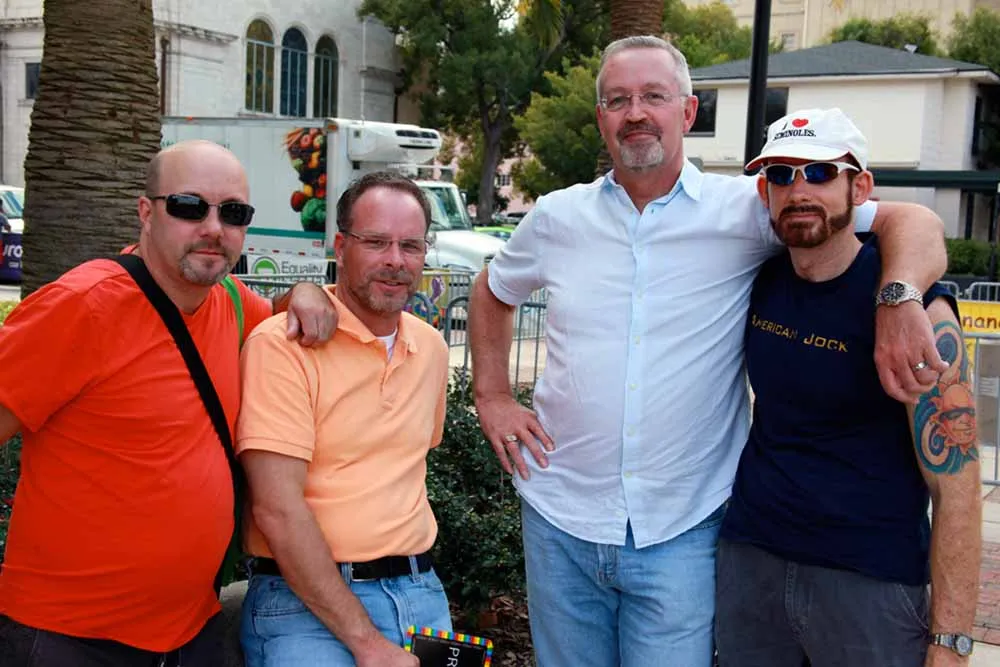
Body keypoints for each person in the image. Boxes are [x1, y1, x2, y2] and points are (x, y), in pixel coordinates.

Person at [468, 35, 951, 667]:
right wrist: (492, 394)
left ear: (688, 112)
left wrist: (898, 297)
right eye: (618, 100)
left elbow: (912, 222)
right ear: (601, 118)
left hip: (682, 528)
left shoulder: (752, 208)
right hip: (560, 518)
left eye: (653, 96)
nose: (636, 113)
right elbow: (492, 289)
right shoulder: (558, 217)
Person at [0, 140, 337, 667]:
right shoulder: (83, 305)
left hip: (191, 633)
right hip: (68, 638)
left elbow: (282, 313)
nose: (213, 228)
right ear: (146, 212)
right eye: (188, 206)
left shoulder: (232, 305)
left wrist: (305, 292)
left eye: (233, 213)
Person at [715, 108, 982, 667]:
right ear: (765, 192)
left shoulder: (918, 313)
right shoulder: (759, 280)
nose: (799, 191)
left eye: (819, 173)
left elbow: (956, 486)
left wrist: (951, 642)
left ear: (859, 188)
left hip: (869, 585)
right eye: (782, 175)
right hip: (752, 564)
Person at [236, 171, 451, 667]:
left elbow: (405, 466)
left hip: (419, 590)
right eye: (376, 242)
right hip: (302, 602)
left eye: (410, 246)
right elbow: (277, 511)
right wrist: (368, 643)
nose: (395, 260)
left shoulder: (432, 348)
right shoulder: (284, 346)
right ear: (340, 246)